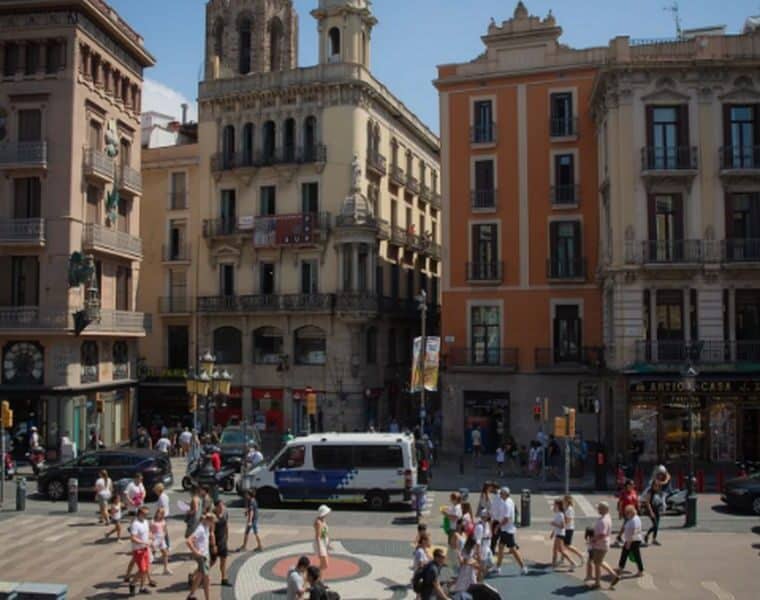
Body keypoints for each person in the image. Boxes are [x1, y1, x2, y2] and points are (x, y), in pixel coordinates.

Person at [493, 487, 528, 575]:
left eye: (501, 493)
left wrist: (498, 526)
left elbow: (506, 519)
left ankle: (523, 567)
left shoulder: (507, 504)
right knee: (501, 547)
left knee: (513, 549)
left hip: (507, 530)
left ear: (505, 494)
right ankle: (498, 566)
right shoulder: (509, 501)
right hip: (506, 529)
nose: (500, 494)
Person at [611, 504, 644, 587]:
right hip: (633, 540)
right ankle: (622, 568)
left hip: (633, 541)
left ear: (631, 512)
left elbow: (632, 533)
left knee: (633, 555)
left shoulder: (633, 521)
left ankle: (640, 570)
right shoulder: (635, 518)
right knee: (626, 554)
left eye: (627, 513)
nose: (625, 514)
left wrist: (628, 543)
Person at [187, 511, 216, 600]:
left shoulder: (206, 526)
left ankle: (191, 595)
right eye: (212, 522)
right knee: (206, 579)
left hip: (205, 555)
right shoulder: (201, 529)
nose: (213, 524)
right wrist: (195, 552)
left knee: (199, 576)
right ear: (208, 520)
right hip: (202, 556)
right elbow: (188, 540)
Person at [589, 501, 617, 590]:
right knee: (599, 561)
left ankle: (597, 583)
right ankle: (614, 576)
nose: (598, 509)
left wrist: (593, 540)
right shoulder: (607, 517)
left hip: (600, 545)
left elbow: (602, 534)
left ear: (603, 509)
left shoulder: (603, 521)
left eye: (599, 508)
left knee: (597, 564)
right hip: (603, 544)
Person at [127, 506, 152, 596]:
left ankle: (142, 587)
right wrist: (144, 542)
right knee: (142, 569)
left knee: (146, 570)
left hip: (145, 549)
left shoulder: (145, 522)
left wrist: (150, 537)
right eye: (145, 514)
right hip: (138, 550)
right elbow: (133, 538)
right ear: (140, 514)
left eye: (147, 514)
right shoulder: (135, 524)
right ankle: (132, 584)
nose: (147, 516)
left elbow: (148, 532)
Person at [210, 499, 231, 587]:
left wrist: (227, 537)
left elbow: (226, 525)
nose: (222, 507)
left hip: (223, 541)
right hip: (215, 541)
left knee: (223, 561)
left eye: (223, 505)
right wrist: (213, 545)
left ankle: (224, 579)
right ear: (216, 507)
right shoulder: (213, 516)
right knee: (211, 562)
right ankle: (194, 575)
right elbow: (211, 532)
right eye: (220, 506)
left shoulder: (225, 514)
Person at [550, 498, 576, 569]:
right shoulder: (557, 513)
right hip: (558, 534)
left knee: (561, 550)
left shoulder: (561, 515)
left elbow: (563, 526)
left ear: (558, 505)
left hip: (560, 534)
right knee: (555, 549)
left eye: (554, 504)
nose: (553, 506)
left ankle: (572, 562)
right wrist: (553, 533)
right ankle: (553, 564)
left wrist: (554, 524)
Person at [562, 495, 585, 565]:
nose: (563, 502)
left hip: (568, 529)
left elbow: (568, 520)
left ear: (566, 501)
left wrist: (561, 524)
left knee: (568, 545)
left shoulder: (569, 509)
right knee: (563, 545)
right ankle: (563, 558)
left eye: (564, 500)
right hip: (566, 528)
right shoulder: (567, 508)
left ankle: (580, 555)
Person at [615, 479, 639, 546]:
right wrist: (620, 512)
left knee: (627, 525)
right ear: (627, 485)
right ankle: (628, 538)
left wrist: (638, 508)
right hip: (626, 512)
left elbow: (636, 501)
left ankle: (619, 537)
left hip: (633, 511)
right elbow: (620, 503)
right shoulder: (623, 493)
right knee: (628, 525)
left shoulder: (634, 492)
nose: (632, 486)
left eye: (632, 484)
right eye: (630, 484)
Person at [642, 479, 664, 546]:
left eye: (658, 485)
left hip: (657, 510)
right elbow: (647, 502)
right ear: (653, 485)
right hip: (651, 510)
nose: (656, 487)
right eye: (655, 485)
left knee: (657, 526)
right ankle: (646, 535)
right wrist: (651, 512)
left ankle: (654, 539)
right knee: (655, 525)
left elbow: (660, 501)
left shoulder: (658, 492)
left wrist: (662, 509)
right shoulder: (650, 492)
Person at [473, 509, 494, 578]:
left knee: (490, 563)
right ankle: (478, 578)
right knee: (481, 565)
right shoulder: (479, 527)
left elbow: (490, 535)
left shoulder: (487, 524)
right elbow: (478, 541)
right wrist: (478, 553)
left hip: (487, 547)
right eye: (487, 515)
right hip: (482, 548)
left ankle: (480, 576)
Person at [150, 507, 171, 575]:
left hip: (161, 538)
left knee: (165, 554)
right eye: (158, 512)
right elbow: (149, 531)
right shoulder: (152, 521)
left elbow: (165, 530)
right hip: (155, 538)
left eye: (161, 513)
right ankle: (146, 570)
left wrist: (164, 537)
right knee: (151, 555)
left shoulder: (163, 521)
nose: (159, 514)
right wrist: (151, 539)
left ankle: (165, 569)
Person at [314, 505, 331, 571]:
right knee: (325, 564)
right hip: (320, 544)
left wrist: (328, 544)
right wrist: (320, 548)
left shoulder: (323, 520)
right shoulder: (318, 522)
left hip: (324, 543)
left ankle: (318, 577)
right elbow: (318, 536)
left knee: (323, 565)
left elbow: (325, 533)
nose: (328, 513)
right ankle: (314, 574)